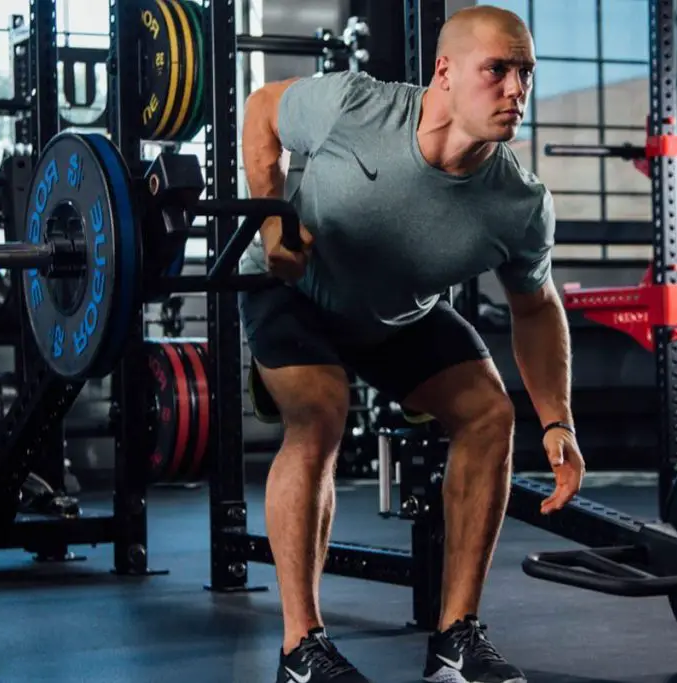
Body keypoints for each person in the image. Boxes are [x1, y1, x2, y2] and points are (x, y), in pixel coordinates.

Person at [238, 6, 585, 683]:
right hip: (296, 291)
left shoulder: (519, 201)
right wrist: (274, 219)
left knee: (490, 416)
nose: (517, 91)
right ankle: (301, 650)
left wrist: (558, 417)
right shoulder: (355, 104)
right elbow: (262, 109)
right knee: (320, 413)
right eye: (498, 71)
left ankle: (456, 640)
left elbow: (537, 307)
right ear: (446, 72)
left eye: (526, 74)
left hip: (396, 314)